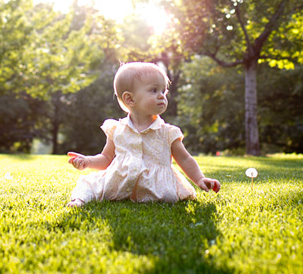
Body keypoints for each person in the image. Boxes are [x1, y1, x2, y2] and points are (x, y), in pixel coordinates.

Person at [66, 62, 220, 207]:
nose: (161, 96)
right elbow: (106, 158)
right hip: (120, 182)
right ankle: (79, 201)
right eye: (154, 90)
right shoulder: (117, 129)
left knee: (166, 197)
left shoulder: (167, 132)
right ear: (130, 98)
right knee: (89, 183)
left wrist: (200, 179)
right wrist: (87, 161)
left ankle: (149, 197)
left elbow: (185, 159)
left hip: (158, 188)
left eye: (163, 91)